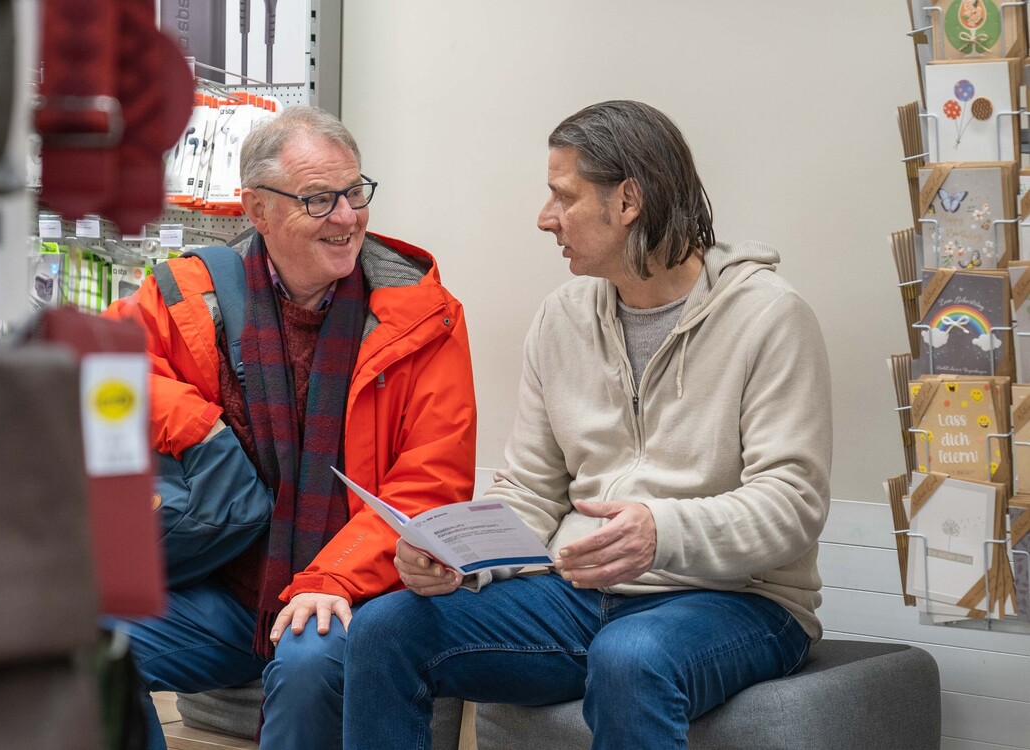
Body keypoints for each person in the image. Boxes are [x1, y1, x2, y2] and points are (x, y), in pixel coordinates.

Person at [342, 100, 831, 749]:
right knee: (383, 628)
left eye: (562, 197)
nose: (545, 219)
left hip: (739, 600)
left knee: (632, 656)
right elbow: (531, 492)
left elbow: (790, 506)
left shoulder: (769, 318)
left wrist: (661, 532)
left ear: (626, 200)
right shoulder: (562, 318)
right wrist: (457, 557)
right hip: (578, 593)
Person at [103, 105, 477, 750]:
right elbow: (98, 377)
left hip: (349, 594)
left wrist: (331, 580)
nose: (346, 217)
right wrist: (196, 426)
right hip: (223, 594)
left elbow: (431, 484)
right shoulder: (189, 296)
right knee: (81, 650)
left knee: (308, 669)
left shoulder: (424, 317)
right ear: (256, 210)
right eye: (318, 199)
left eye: (354, 192)